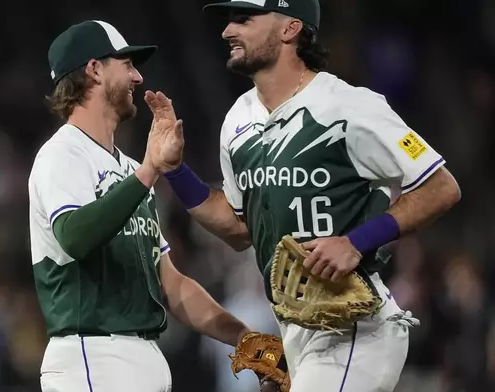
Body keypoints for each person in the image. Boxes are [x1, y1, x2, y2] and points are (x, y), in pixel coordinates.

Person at [156, 1, 462, 391]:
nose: (227, 31)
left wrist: (356, 242)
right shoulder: (237, 120)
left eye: (244, 19)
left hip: (355, 328)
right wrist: (176, 172)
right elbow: (237, 229)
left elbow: (442, 186)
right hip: (293, 330)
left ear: (290, 29)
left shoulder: (353, 106)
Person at [28, 20, 251, 392]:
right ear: (94, 69)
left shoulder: (130, 169)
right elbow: (76, 237)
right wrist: (150, 171)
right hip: (93, 356)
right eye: (127, 64)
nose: (137, 78)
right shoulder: (61, 154)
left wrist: (245, 338)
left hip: (141, 356)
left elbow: (172, 284)